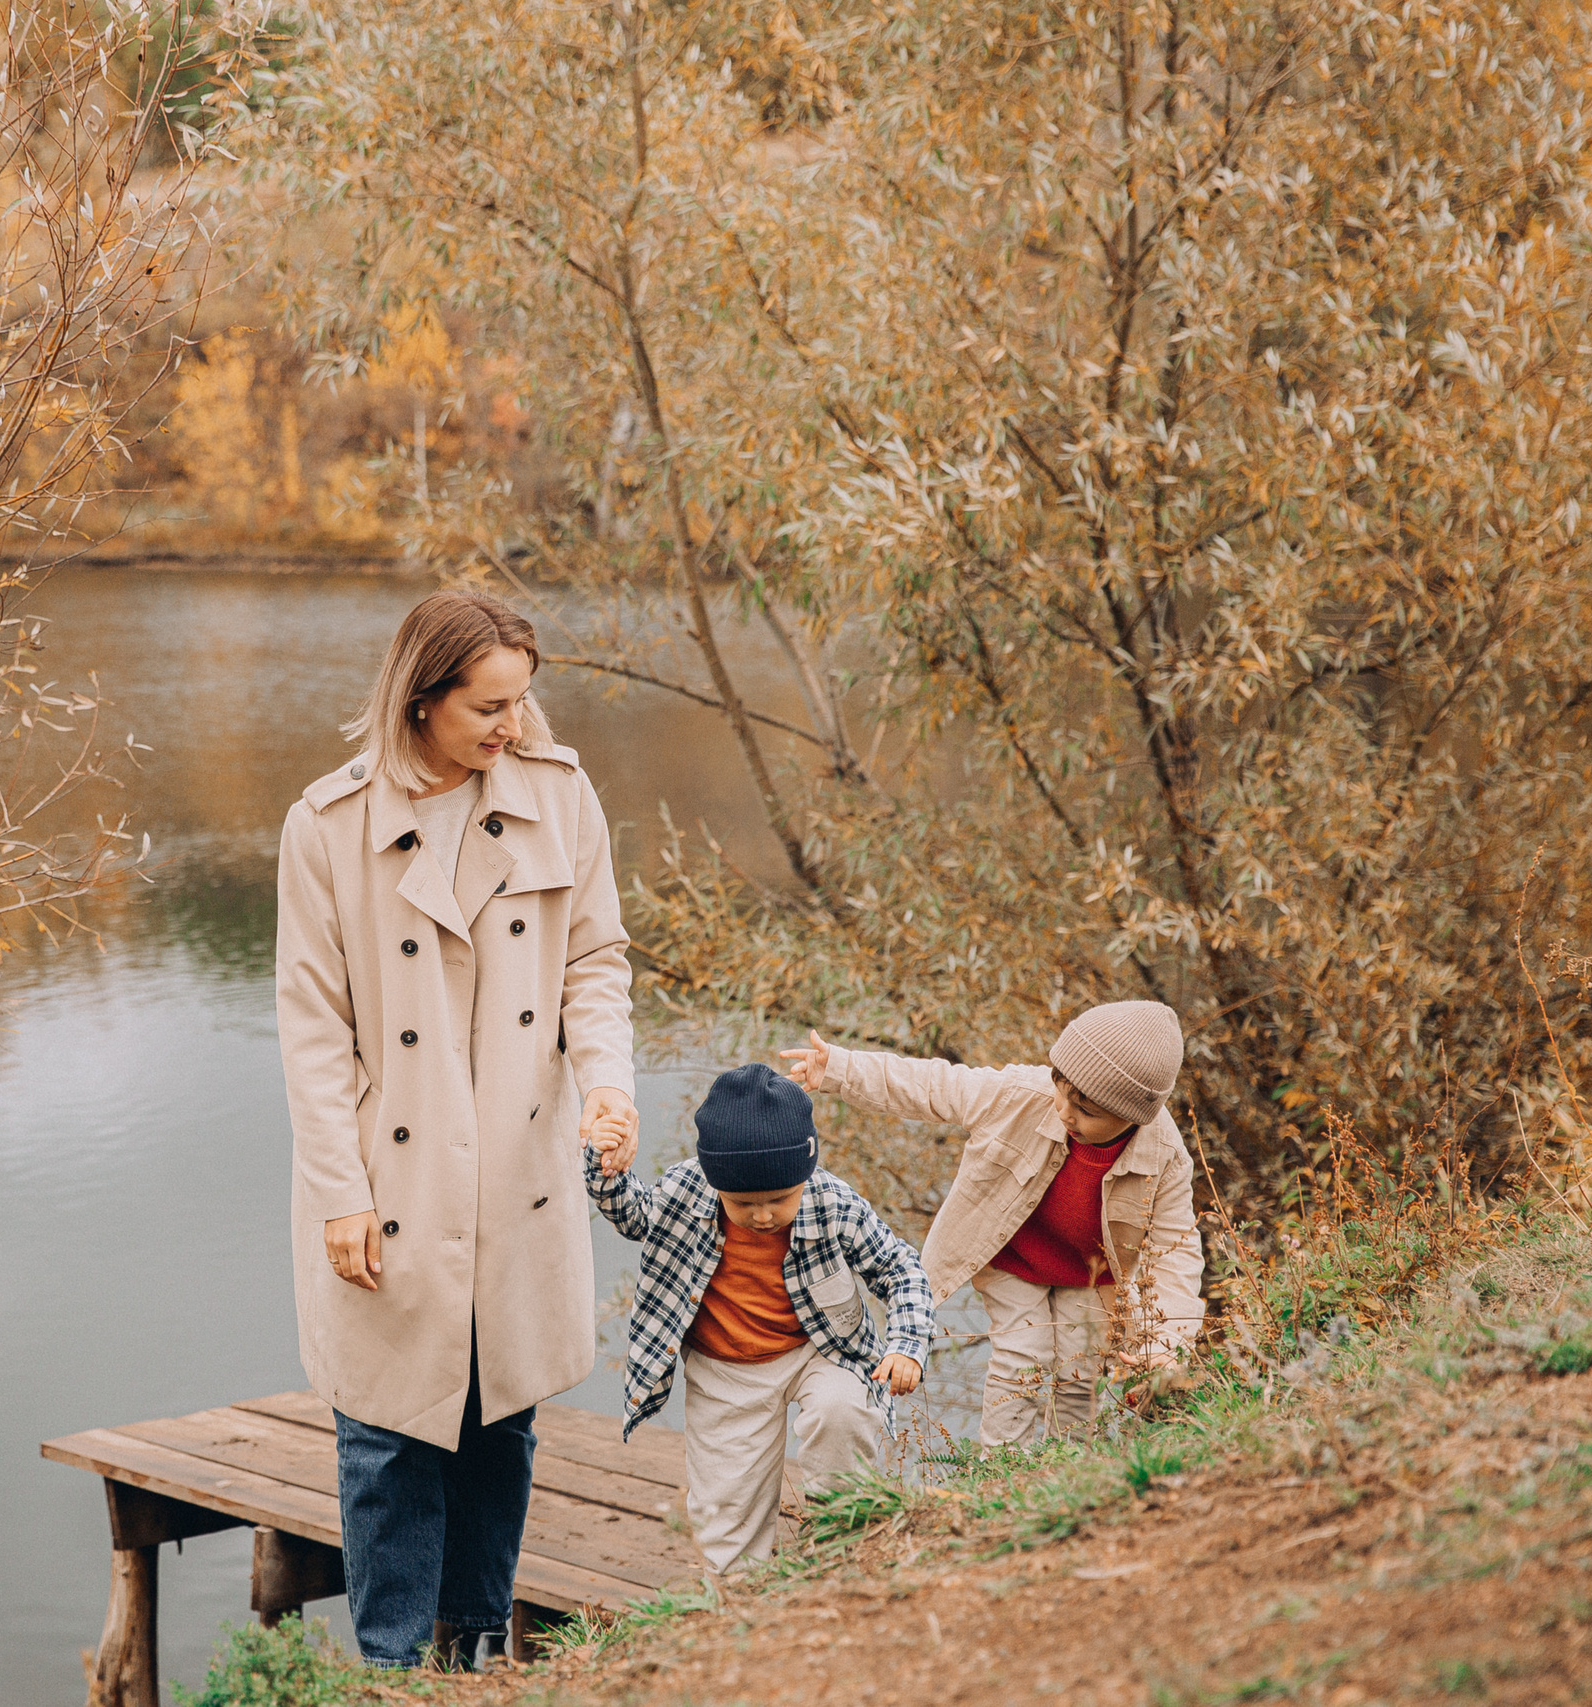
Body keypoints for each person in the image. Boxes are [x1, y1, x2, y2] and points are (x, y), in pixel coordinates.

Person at [275, 589, 640, 1670]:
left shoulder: (559, 796)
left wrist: (609, 1086)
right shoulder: (327, 825)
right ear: (421, 699)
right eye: (490, 706)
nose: (512, 726)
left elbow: (594, 963)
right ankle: (391, 1675)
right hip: (390, 1176)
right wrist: (339, 1193)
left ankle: (470, 1661)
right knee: (385, 1440)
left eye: (521, 701)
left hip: (519, 1165)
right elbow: (312, 1030)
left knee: (500, 1421)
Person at [778, 1000, 1204, 1447]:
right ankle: (1003, 1467)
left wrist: (1166, 1347)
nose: (1064, 1112)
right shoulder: (1020, 1095)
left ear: (1132, 1116)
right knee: (1023, 1358)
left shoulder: (1165, 1157)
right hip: (1012, 1255)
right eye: (1061, 1091)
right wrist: (842, 1069)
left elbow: (1175, 1253)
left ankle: (1071, 1466)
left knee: (1080, 1373)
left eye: (1086, 1110)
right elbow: (935, 1086)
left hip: (1090, 1274)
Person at [582, 1063, 931, 1573]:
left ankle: (844, 1546)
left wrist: (906, 1345)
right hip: (725, 1368)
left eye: (780, 1199)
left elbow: (901, 1270)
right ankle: (737, 1592)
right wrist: (605, 1165)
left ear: (804, 1175)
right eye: (743, 1203)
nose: (763, 1215)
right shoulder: (686, 1191)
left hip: (820, 1351)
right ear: (716, 1182)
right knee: (726, 1510)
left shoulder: (833, 1203)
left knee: (842, 1410)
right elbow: (634, 1216)